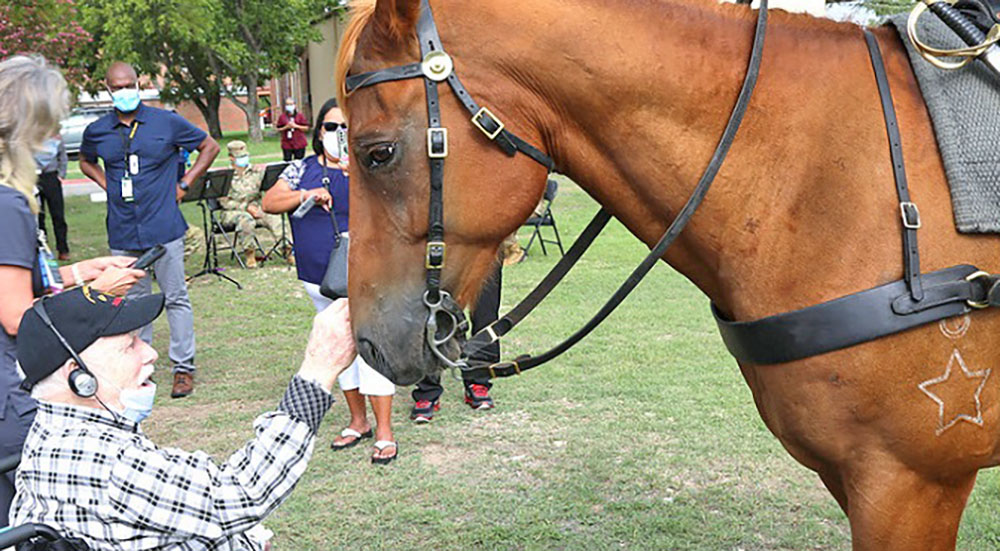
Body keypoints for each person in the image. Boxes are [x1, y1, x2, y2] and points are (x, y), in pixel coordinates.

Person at [11, 287, 356, 550]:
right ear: (78, 376)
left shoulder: (55, 429)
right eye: (129, 345)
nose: (151, 352)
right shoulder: (104, 462)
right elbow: (241, 493)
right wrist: (319, 367)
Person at [0, 55, 146, 529]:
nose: (57, 138)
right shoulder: (7, 206)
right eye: (51, 126)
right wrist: (97, 294)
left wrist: (79, 271)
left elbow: (17, 279)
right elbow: (17, 318)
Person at [263, 98, 398, 465]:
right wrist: (306, 194)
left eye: (346, 127)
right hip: (317, 276)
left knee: (369, 347)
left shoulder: (372, 169)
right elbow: (270, 202)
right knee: (339, 346)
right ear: (318, 132)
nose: (339, 134)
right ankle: (359, 421)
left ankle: (384, 430)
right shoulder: (300, 170)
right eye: (331, 127)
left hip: (367, 274)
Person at [79, 61, 221, 399]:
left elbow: (209, 146)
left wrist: (185, 183)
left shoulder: (165, 122)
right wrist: (107, 184)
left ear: (138, 84)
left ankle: (183, 368)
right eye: (118, 87)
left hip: (164, 224)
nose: (125, 91)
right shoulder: (97, 130)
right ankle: (139, 369)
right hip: (124, 230)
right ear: (108, 89)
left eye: (130, 84)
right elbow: (85, 160)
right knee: (134, 302)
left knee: (175, 297)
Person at [410, 267, 501, 422]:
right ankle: (427, 389)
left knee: (485, 312)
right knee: (431, 310)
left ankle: (479, 380)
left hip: (483, 247)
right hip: (439, 247)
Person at [219, 140, 289, 268]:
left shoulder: (256, 172)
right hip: (232, 212)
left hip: (256, 208)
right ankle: (250, 253)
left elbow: (268, 188)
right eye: (240, 157)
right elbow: (224, 203)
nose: (244, 159)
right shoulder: (224, 177)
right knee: (246, 220)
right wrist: (246, 208)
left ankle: (288, 250)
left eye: (245, 156)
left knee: (273, 216)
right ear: (231, 158)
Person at [33, 134, 70, 261]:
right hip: (33, 178)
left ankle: (63, 249)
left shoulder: (56, 138)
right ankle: (42, 248)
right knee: (38, 216)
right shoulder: (28, 136)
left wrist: (61, 174)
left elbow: (63, 157)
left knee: (58, 215)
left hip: (51, 178)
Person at [276, 97, 310, 162]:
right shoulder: (282, 117)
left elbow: (306, 128)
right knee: (287, 162)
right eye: (287, 104)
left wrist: (296, 126)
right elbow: (278, 129)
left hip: (299, 143)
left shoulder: (300, 116)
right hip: (287, 144)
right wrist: (286, 127)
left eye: (291, 104)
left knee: (299, 162)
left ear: (294, 105)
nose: (289, 106)